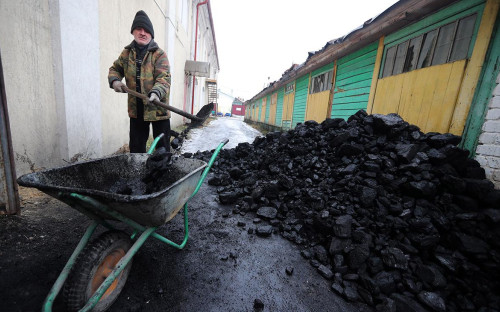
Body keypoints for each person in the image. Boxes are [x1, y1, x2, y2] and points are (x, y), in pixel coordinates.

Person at [108, 10, 171, 153]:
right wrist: (115, 81)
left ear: (151, 34)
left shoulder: (159, 54)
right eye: (139, 29)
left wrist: (156, 92)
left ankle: (162, 173)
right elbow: (115, 69)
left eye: (146, 30)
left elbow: (164, 78)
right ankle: (139, 174)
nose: (143, 33)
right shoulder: (126, 54)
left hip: (158, 108)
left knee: (162, 151)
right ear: (133, 32)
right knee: (136, 150)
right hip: (137, 110)